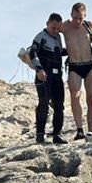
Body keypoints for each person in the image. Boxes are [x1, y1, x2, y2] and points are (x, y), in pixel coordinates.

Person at [59, 2, 92, 140]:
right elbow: (50, 29)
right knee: (74, 96)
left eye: (80, 18)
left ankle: (91, 131)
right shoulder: (64, 27)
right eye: (75, 17)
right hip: (74, 66)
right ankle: (79, 130)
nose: (78, 21)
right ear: (71, 15)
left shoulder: (89, 25)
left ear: (85, 16)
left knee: (91, 99)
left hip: (89, 65)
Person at [27, 13, 68, 144]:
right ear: (47, 24)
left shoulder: (58, 37)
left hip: (57, 76)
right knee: (43, 103)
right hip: (44, 75)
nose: (55, 30)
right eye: (53, 28)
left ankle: (57, 134)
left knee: (59, 105)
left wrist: (75, 49)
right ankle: (40, 134)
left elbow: (60, 52)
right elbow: (32, 52)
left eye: (58, 28)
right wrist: (39, 69)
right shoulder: (41, 36)